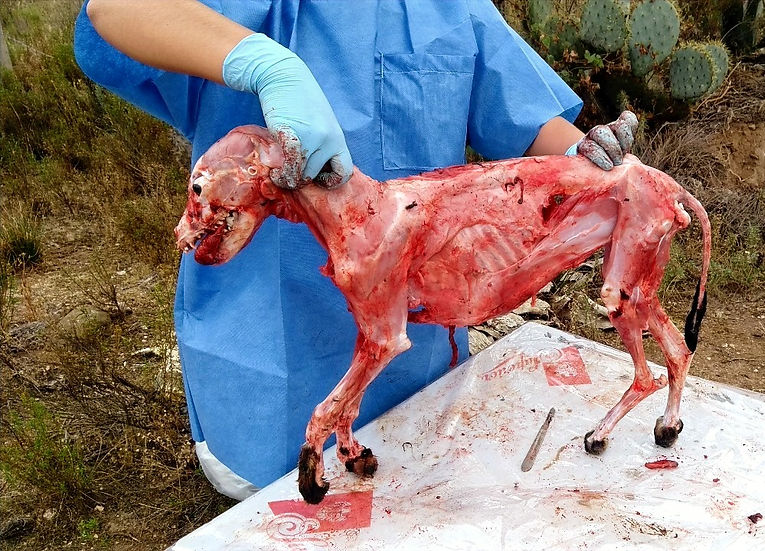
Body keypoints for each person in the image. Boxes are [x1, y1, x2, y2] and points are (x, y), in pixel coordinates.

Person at [74, 0, 631, 500]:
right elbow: (116, 9)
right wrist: (267, 64)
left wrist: (587, 158)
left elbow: (524, 122)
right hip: (264, 372)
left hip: (418, 370)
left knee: (415, 488)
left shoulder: (452, 8)